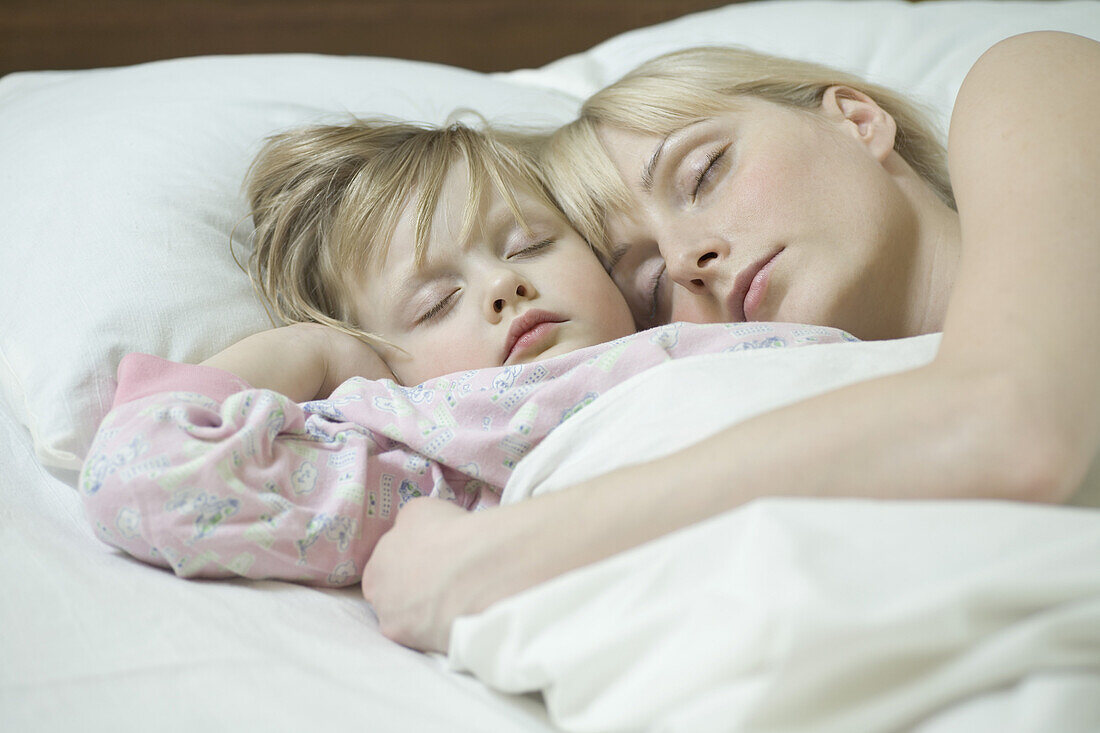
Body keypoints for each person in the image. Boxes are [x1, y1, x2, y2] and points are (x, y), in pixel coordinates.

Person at [359, 31, 1100, 652]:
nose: (687, 259)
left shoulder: (1032, 81)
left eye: (704, 171)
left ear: (856, 118)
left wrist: (483, 560)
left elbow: (1009, 422)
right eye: (652, 284)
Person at [78, 120, 852, 585]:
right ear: (383, 363)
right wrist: (314, 352)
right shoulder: (440, 448)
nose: (504, 286)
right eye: (435, 303)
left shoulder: (714, 310)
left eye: (531, 244)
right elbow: (143, 484)